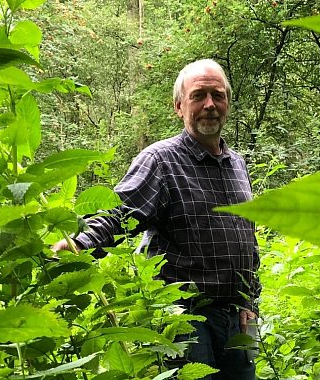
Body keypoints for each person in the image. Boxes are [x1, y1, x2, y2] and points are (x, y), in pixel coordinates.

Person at [51, 59, 259, 379]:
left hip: (236, 318)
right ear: (179, 106)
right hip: (184, 318)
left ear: (227, 103)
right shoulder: (161, 160)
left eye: (217, 95)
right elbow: (122, 213)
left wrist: (251, 302)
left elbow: (247, 240)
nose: (209, 105)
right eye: (198, 96)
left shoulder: (237, 164)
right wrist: (81, 242)